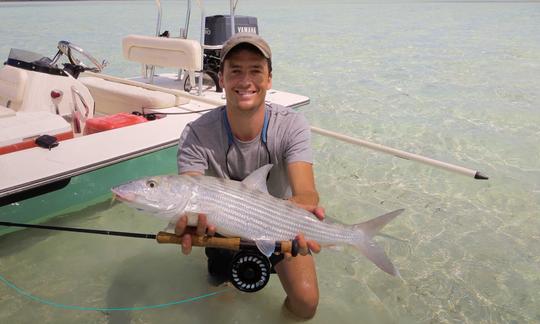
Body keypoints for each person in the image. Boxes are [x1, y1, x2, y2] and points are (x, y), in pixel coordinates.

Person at [175, 32, 324, 319]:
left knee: (306, 303)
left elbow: (307, 193)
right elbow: (188, 190)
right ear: (221, 78)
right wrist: (187, 222)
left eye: (256, 70)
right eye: (235, 71)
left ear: (269, 79)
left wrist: (301, 215)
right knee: (222, 310)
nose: (246, 81)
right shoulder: (195, 134)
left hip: (279, 224)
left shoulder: (292, 125)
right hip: (222, 228)